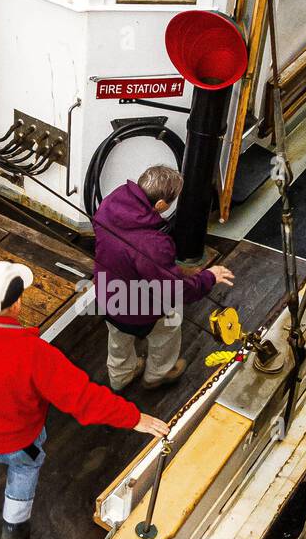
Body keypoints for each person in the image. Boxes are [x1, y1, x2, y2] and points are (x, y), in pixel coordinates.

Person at [0, 261, 168, 539]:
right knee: (23, 473)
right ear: (17, 304)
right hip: (19, 443)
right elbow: (81, 397)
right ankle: (13, 531)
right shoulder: (35, 353)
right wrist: (134, 418)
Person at [92, 165, 235, 392]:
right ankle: (157, 374)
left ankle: (120, 377)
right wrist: (209, 276)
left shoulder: (113, 201)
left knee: (118, 340)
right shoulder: (153, 244)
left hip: (108, 295)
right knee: (168, 327)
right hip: (139, 309)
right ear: (160, 205)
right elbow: (175, 291)